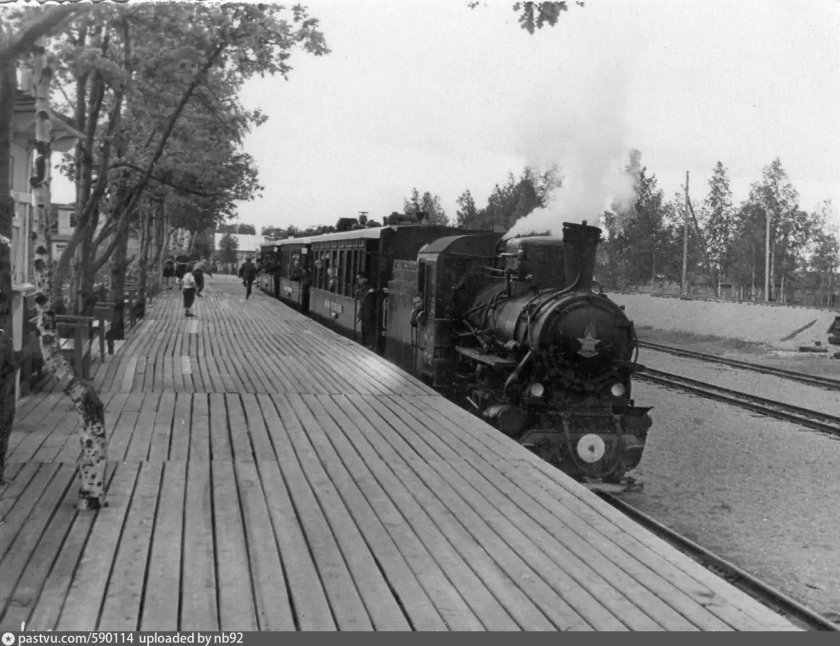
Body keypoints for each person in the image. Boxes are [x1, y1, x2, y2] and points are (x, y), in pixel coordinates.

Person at [355, 272, 377, 348]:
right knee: (365, 329)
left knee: (367, 330)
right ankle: (366, 344)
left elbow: (365, 303)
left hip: (368, 314)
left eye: (360, 279)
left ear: (366, 279)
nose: (359, 281)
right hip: (365, 314)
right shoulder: (364, 289)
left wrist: (361, 315)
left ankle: (368, 344)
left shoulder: (368, 290)